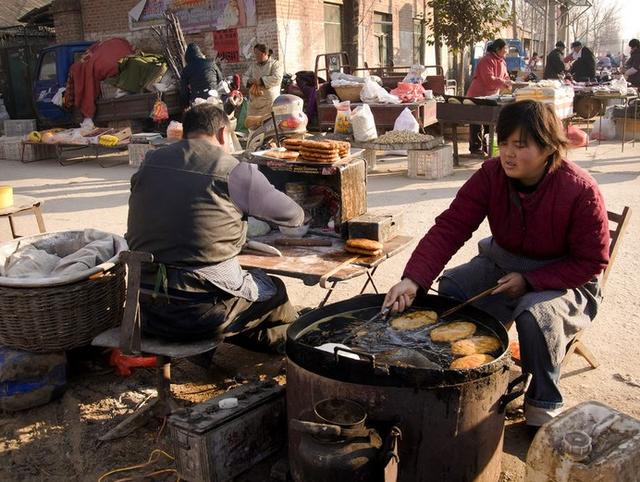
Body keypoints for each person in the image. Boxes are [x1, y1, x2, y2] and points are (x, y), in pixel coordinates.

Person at [383, 100, 610, 427]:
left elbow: (591, 261)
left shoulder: (580, 190)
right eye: (503, 142)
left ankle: (542, 405)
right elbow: (451, 226)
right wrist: (413, 281)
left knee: (534, 314)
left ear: (548, 147)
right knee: (453, 286)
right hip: (502, 264)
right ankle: (471, 371)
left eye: (520, 145)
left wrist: (531, 281)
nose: (508, 153)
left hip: (566, 279)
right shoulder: (491, 174)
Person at [126, 103, 305, 353]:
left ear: (186, 133)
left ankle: (279, 341)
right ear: (223, 133)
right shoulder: (232, 169)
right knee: (274, 291)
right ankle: (299, 346)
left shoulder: (151, 161)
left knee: (243, 301)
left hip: (144, 310)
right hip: (199, 315)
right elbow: (294, 216)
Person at [466, 39, 512, 155]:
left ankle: (488, 147)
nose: (506, 52)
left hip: (491, 96)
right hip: (478, 95)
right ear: (497, 49)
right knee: (476, 122)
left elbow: (506, 76)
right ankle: (475, 148)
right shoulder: (486, 60)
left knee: (489, 122)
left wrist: (509, 82)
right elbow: (489, 79)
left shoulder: (502, 61)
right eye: (505, 49)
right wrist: (503, 83)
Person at [244, 44, 284, 118]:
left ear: (265, 53)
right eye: (255, 54)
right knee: (253, 125)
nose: (255, 56)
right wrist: (249, 80)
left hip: (268, 101)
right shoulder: (253, 65)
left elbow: (277, 78)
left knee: (267, 124)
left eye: (257, 54)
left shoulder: (275, 64)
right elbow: (245, 76)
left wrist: (262, 81)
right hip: (254, 102)